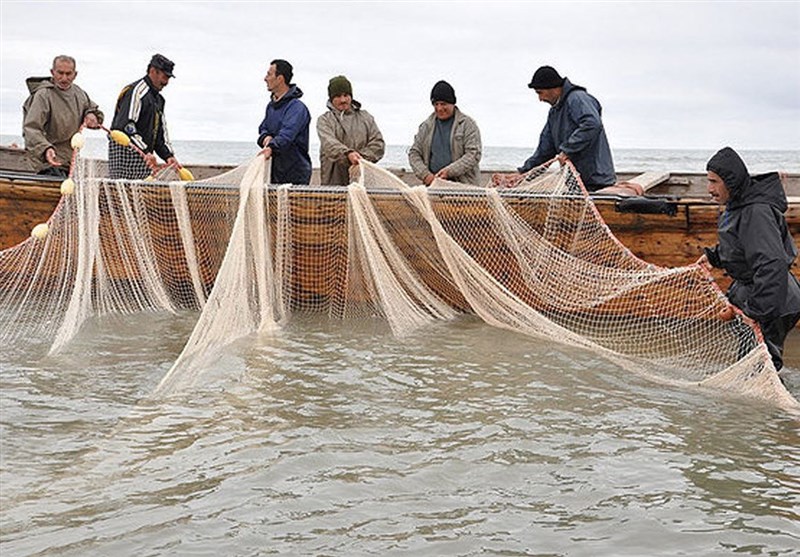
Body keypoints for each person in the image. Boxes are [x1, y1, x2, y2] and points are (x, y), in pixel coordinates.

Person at [701, 146, 800, 371]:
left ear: (731, 181)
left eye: (714, 182)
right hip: (762, 296)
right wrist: (714, 257)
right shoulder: (738, 205)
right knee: (752, 366)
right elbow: (741, 247)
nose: (709, 189)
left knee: (757, 370)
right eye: (708, 181)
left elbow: (771, 264)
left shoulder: (756, 212)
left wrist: (755, 311)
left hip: (774, 301)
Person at [518, 65, 616, 191]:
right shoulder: (554, 112)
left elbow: (592, 124)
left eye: (540, 93)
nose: (540, 99)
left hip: (597, 181)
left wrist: (567, 150)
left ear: (553, 88)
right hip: (575, 183)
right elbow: (545, 151)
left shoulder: (578, 99)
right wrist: (523, 174)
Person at [22, 55, 104, 176]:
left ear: (75, 74)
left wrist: (92, 115)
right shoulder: (43, 95)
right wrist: (45, 149)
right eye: (60, 73)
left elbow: (94, 111)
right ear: (52, 72)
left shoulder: (79, 94)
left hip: (70, 162)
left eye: (68, 74)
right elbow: (31, 128)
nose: (64, 78)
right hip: (45, 163)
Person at [108, 54, 180, 179]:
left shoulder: (159, 100)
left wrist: (168, 156)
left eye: (169, 78)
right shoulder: (136, 91)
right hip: (124, 158)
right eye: (165, 76)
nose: (166, 82)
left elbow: (159, 134)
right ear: (153, 71)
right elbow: (126, 126)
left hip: (145, 160)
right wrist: (145, 151)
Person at [408, 80, 482, 186]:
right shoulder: (426, 126)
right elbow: (414, 153)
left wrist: (448, 172)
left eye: (443, 104)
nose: (439, 108)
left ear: (452, 103)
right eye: (436, 104)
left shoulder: (468, 125)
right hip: (434, 187)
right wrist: (426, 175)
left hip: (464, 187)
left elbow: (474, 154)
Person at [316, 75, 385, 185]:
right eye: (338, 96)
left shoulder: (366, 117)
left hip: (362, 182)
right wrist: (348, 155)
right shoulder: (324, 120)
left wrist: (360, 159)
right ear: (331, 99)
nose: (343, 100)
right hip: (333, 183)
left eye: (346, 95)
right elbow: (329, 144)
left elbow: (378, 144)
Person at [257, 59, 312, 185]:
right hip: (276, 172)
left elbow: (287, 134)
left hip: (296, 175)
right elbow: (263, 128)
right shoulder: (271, 106)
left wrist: (271, 147)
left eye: (269, 74)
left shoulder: (297, 108)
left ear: (280, 79)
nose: (265, 78)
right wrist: (266, 138)